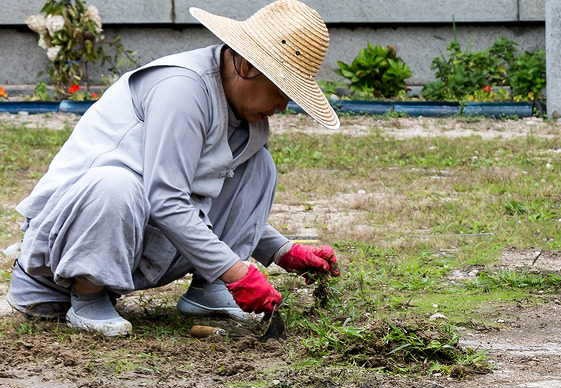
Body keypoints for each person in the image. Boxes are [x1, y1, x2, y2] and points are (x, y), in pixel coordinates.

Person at [7, 0, 341, 337]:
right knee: (116, 184)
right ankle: (87, 297)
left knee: (258, 166)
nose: (284, 105)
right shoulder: (182, 88)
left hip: (135, 240)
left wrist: (282, 250)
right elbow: (166, 199)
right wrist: (237, 272)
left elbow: (203, 197)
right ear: (247, 65)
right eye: (282, 90)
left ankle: (210, 289)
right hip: (60, 259)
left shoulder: (241, 116)